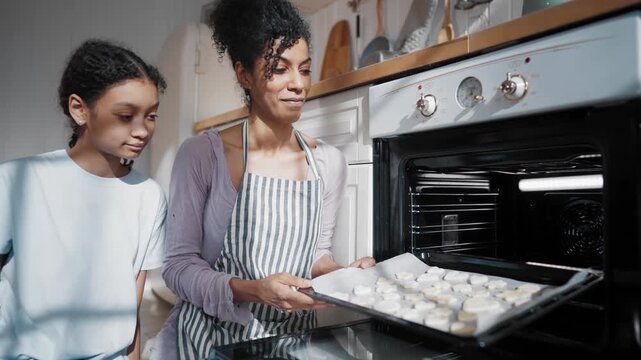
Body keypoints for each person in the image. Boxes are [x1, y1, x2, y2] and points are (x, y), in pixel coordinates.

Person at [152, 0, 376, 358]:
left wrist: (343, 275)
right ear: (244, 75)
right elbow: (178, 267)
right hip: (210, 339)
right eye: (279, 69)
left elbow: (316, 256)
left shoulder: (329, 163)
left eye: (304, 70)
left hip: (291, 341)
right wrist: (254, 290)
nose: (298, 84)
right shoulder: (203, 155)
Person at [0, 40, 167, 359]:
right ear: (79, 109)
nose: (142, 130)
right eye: (125, 115)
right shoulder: (16, 181)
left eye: (151, 116)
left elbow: (132, 313)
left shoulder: (148, 196)